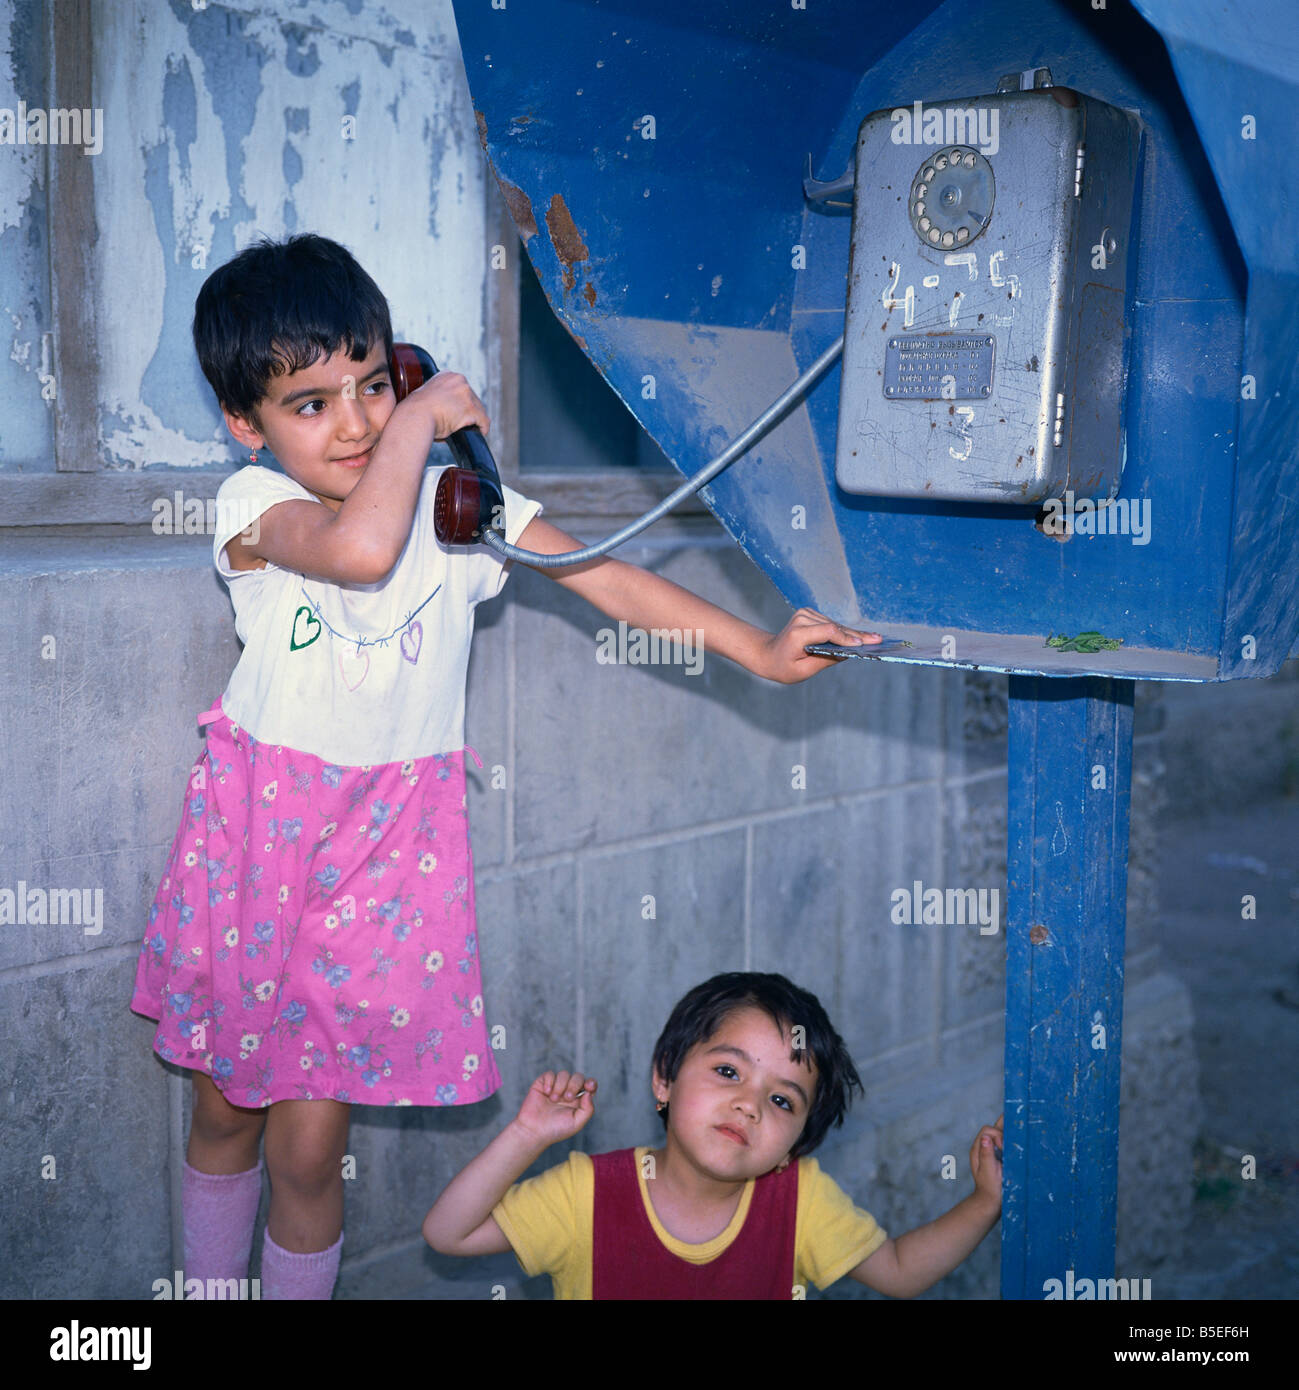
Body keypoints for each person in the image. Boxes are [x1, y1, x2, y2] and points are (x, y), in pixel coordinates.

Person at [129, 234, 881, 1300]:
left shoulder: (458, 507)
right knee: (224, 1110)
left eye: (368, 385)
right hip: (263, 848)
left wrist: (758, 648)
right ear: (247, 426)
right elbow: (359, 553)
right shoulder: (252, 510)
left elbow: (608, 579)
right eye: (311, 404)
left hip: (382, 867)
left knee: (304, 1150)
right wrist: (422, 419)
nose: (352, 423)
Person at [423, 971, 1004, 1299]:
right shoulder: (588, 1195)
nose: (748, 1105)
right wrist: (527, 1134)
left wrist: (984, 1203)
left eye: (781, 1100)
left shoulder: (801, 1201)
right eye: (728, 1071)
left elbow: (899, 1271)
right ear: (665, 1077)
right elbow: (449, 1233)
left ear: (794, 1148)